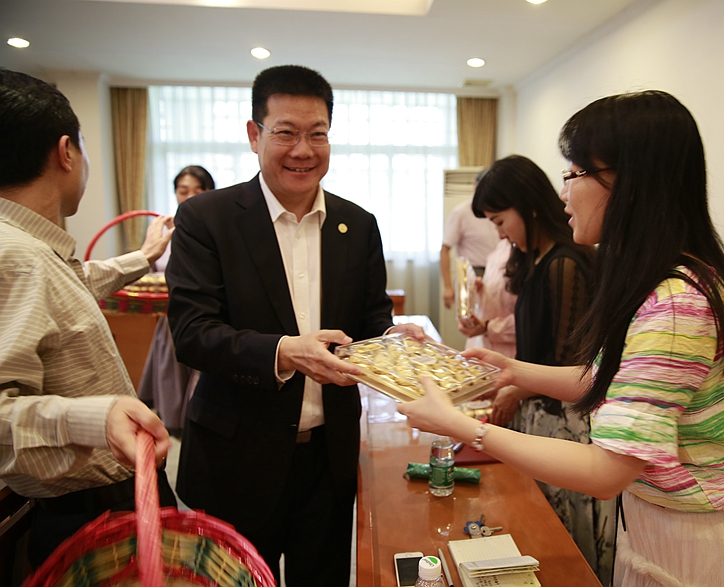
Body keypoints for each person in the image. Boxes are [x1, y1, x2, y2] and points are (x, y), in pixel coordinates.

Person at [399, 91, 724, 587]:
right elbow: (610, 378)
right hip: (662, 528)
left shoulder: (676, 305)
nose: (564, 193)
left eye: (574, 173)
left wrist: (462, 427)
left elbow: (607, 471)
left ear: (630, 181)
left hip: (700, 549)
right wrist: (513, 370)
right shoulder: (665, 279)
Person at [165, 64, 425, 586]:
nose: (303, 150)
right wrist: (285, 352)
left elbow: (371, 320)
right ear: (254, 134)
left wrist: (390, 339)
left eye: (317, 134)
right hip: (235, 461)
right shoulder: (207, 219)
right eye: (286, 132)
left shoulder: (358, 225)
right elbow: (193, 333)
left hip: (328, 462)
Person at [0, 68, 177, 569]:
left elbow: (72, 284)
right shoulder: (17, 257)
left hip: (109, 499)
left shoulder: (33, 251)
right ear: (66, 152)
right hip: (87, 514)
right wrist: (95, 418)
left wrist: (142, 257)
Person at [458, 154, 615, 584]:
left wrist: (515, 386)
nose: (500, 232)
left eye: (500, 220)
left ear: (527, 205)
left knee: (560, 541)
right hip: (540, 411)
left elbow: (569, 364)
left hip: (565, 421)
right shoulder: (537, 259)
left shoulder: (565, 263)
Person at [138, 165, 215, 437]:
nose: (190, 197)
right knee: (172, 382)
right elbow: (147, 276)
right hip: (171, 320)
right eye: (183, 191)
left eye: (198, 190)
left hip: (209, 322)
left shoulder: (218, 230)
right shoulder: (163, 234)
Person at [440, 178, 499, 311]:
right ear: (475, 187)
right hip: (471, 273)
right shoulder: (461, 212)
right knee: (470, 318)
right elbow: (445, 249)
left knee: (493, 318)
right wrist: (448, 286)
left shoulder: (499, 211)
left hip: (496, 271)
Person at [457, 238, 517, 358]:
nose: (500, 232)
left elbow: (528, 322)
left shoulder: (523, 252)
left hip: (509, 355)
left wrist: (487, 327)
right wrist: (481, 288)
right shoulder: (502, 246)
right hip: (486, 345)